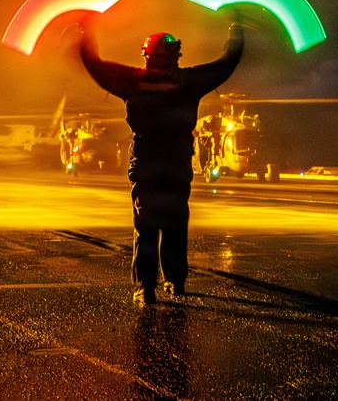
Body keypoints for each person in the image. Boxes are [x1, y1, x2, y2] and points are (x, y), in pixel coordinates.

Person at [77, 18, 244, 306]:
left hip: (146, 165)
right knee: (176, 222)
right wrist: (236, 33)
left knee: (146, 227)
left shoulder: (132, 81)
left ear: (146, 55)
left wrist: (86, 33)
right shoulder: (189, 82)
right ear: (177, 56)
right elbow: (226, 64)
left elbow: (94, 64)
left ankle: (145, 288)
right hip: (178, 164)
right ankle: (175, 282)